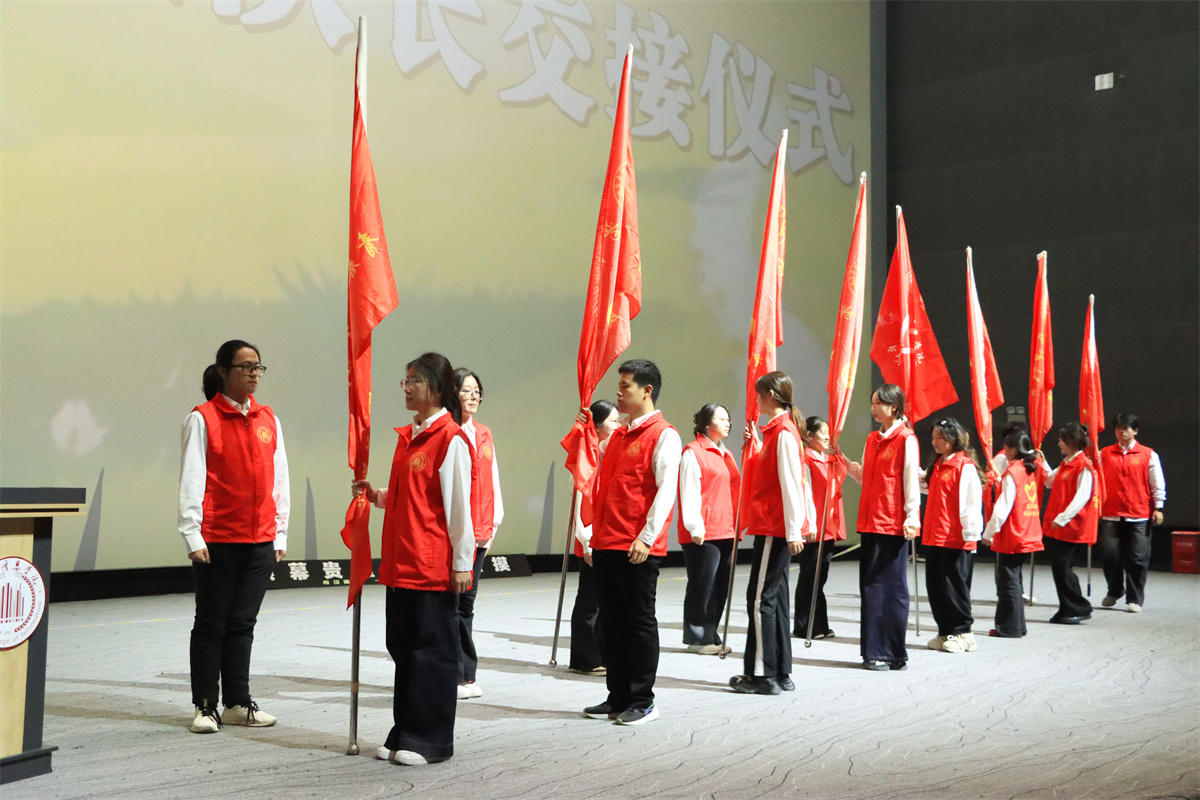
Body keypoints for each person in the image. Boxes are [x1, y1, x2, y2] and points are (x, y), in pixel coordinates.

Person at [353, 352, 474, 766]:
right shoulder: (409, 437)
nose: (406, 388)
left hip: (431, 565)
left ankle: (429, 740)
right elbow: (413, 495)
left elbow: (458, 507)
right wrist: (377, 496)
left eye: (414, 381)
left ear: (436, 389)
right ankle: (404, 731)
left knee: (431, 653)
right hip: (401, 562)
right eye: (405, 380)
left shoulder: (450, 439)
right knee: (403, 648)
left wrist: (462, 562)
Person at [178, 339, 289, 733]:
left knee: (243, 625)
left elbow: (279, 479)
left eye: (258, 367)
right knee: (212, 624)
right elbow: (192, 479)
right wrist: (193, 534)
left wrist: (279, 533)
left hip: (260, 540)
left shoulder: (268, 418)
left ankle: (237, 703)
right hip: (218, 540)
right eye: (246, 367)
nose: (254, 373)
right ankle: (206, 706)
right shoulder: (202, 419)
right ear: (223, 371)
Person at [583, 359, 680, 726]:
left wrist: (647, 537)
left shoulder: (664, 435)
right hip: (607, 542)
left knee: (638, 623)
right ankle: (618, 697)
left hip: (636, 545)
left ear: (647, 390)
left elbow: (665, 492)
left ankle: (643, 699)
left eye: (625, 386)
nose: (619, 392)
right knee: (611, 623)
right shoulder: (618, 436)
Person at [730, 372, 813, 695]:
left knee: (759, 600)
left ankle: (762, 675)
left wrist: (794, 530)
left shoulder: (783, 433)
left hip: (774, 527)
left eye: (759, 394)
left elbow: (792, 484)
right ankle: (781, 672)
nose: (757, 399)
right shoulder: (779, 432)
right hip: (777, 526)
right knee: (774, 600)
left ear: (771, 396)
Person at [845, 384, 919, 671]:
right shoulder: (872, 439)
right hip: (870, 523)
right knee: (872, 588)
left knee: (892, 589)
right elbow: (867, 476)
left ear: (894, 407)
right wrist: (845, 464)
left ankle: (891, 652)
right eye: (872, 402)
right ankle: (876, 651)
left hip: (892, 523)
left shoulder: (906, 439)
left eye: (879, 403)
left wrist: (911, 518)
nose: (873, 408)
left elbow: (910, 480)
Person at [452, 368, 504, 699]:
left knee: (466, 606)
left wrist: (495, 522)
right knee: (451, 605)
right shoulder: (447, 432)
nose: (473, 396)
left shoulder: (483, 433)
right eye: (466, 390)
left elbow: (493, 479)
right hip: (455, 535)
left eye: (476, 391)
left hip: (481, 533)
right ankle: (454, 674)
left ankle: (466, 675)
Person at [678, 403, 740, 655]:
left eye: (728, 418)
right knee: (702, 585)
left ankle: (710, 633)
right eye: (721, 418)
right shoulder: (693, 452)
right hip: (704, 531)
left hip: (726, 528)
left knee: (720, 585)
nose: (727, 422)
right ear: (706, 423)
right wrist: (695, 526)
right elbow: (689, 491)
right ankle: (697, 638)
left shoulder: (725, 453)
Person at [919, 418, 984, 654]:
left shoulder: (964, 465)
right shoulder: (937, 465)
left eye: (941, 437)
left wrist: (970, 534)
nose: (936, 441)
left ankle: (964, 633)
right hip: (934, 535)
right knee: (936, 587)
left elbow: (971, 502)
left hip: (955, 537)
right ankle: (945, 630)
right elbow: (926, 487)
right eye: (933, 437)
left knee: (954, 588)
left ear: (954, 439)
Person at [568, 399, 619, 676]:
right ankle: (584, 658)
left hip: (607, 537)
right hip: (590, 538)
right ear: (597, 427)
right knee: (589, 601)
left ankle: (602, 654)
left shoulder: (609, 454)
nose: (619, 425)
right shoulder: (587, 458)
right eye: (614, 421)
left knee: (603, 601)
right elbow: (580, 504)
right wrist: (587, 541)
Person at [1097, 414, 1165, 614]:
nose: (1121, 432)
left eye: (1126, 428)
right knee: (1110, 554)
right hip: (1111, 513)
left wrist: (1158, 507)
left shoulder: (1148, 454)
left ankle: (1134, 599)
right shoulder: (1105, 453)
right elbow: (1096, 479)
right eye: (1118, 428)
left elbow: (1156, 481)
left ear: (1135, 430)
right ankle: (1115, 590)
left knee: (1137, 558)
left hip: (1139, 513)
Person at [982, 430, 1043, 638]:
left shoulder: (1013, 472)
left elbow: (1003, 506)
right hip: (1027, 530)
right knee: (1014, 581)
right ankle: (1018, 626)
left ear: (1013, 449)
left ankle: (1010, 627)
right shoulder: (1028, 469)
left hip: (1013, 533)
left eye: (1006, 447)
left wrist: (989, 532)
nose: (1004, 451)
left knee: (1008, 583)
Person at [1040, 422, 1099, 625]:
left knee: (1063, 566)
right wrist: (1042, 462)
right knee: (1060, 567)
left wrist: (1062, 518)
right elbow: (1049, 481)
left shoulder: (1084, 466)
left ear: (1072, 442)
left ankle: (1078, 607)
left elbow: (1082, 497)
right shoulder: (1066, 463)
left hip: (1074, 526)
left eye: (1062, 440)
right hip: (1062, 526)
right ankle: (1068, 607)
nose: (1059, 444)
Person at [793, 416, 847, 641]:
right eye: (822, 432)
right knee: (809, 576)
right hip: (813, 528)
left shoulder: (827, 460)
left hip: (828, 527)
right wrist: (810, 524)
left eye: (827, 432)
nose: (827, 436)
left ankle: (820, 624)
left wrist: (838, 457)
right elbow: (805, 495)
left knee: (820, 577)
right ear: (809, 435)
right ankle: (804, 626)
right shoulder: (806, 460)